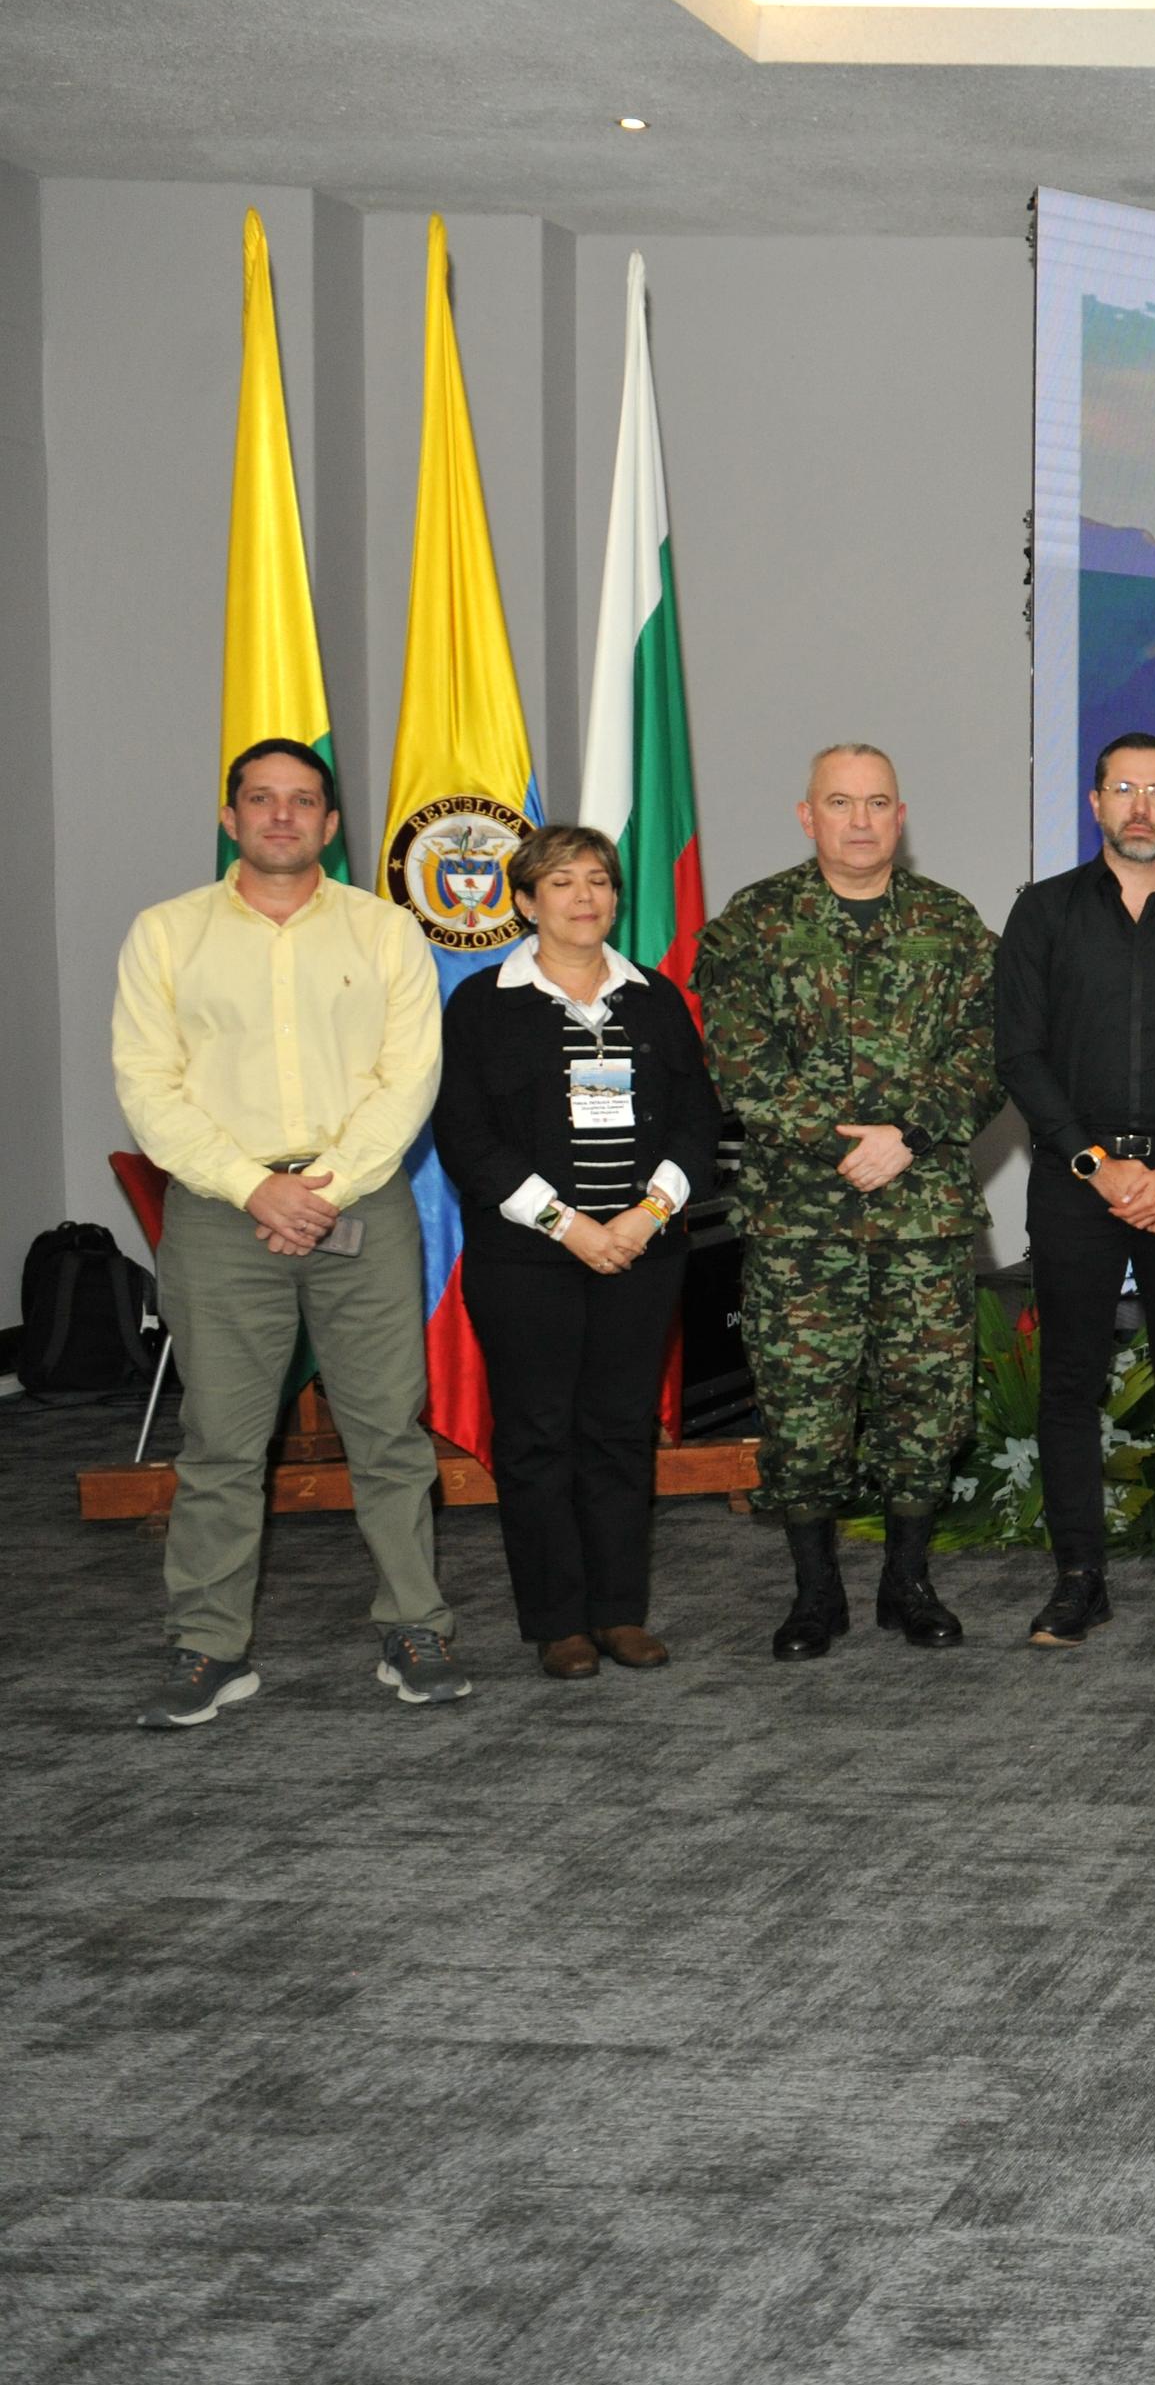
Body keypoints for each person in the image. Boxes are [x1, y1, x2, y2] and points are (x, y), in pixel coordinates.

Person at [110, 737, 463, 1726]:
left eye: (300, 801)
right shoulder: (166, 934)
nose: (280, 816)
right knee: (221, 1440)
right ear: (230, 819)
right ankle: (210, 1646)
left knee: (388, 1433)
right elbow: (149, 1086)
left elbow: (410, 1078)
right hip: (224, 1217)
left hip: (363, 1207)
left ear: (330, 823)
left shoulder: (384, 931)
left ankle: (414, 1626)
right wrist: (255, 1187)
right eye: (259, 800)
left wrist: (326, 1185)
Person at [695, 742, 1003, 1662]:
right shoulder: (751, 925)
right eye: (841, 802)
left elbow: (990, 1054)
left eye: (877, 803)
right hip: (800, 1220)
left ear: (900, 818)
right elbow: (740, 1069)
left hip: (923, 1215)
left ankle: (907, 1583)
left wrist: (905, 1133)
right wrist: (851, 1140)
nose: (861, 820)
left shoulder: (952, 926)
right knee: (801, 1408)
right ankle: (814, 1591)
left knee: (927, 1404)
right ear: (807, 815)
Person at [431, 822, 721, 1679]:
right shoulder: (484, 1003)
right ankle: (557, 1620)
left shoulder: (655, 998)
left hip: (642, 1251)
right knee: (536, 1434)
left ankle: (620, 1611)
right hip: (526, 1258)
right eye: (561, 883)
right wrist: (570, 1225)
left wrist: (644, 1216)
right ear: (524, 902)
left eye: (597, 880)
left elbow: (696, 1118)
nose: (584, 897)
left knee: (622, 1430)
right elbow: (466, 1136)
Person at [997, 731, 1155, 1649]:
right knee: (1070, 1381)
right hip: (1078, 1180)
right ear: (1097, 803)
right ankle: (1079, 1579)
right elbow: (1018, 1057)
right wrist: (1094, 1164)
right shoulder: (1045, 913)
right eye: (1123, 788)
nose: (1141, 805)